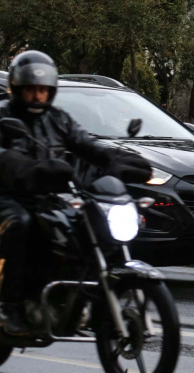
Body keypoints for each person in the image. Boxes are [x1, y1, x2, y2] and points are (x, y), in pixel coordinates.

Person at [0, 51, 151, 335]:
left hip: (49, 198)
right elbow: (5, 158)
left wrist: (116, 162)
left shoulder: (58, 119)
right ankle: (9, 305)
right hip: (9, 197)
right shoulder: (4, 117)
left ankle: (84, 297)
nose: (37, 96)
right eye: (31, 90)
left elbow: (86, 144)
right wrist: (27, 168)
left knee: (84, 223)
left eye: (42, 90)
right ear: (18, 90)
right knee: (22, 223)